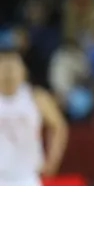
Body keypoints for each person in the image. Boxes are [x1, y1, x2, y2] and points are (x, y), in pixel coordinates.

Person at [0, 47, 69, 186]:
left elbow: (59, 127)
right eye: (4, 67)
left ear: (23, 71)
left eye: (13, 67)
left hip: (28, 177)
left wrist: (52, 160)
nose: (9, 73)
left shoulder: (36, 97)